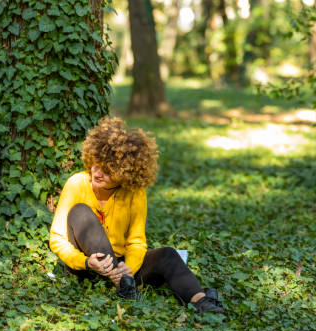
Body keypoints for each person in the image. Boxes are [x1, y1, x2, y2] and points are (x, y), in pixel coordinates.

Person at [49, 117, 224, 314]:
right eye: (95, 165)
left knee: (167, 254)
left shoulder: (135, 192)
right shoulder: (76, 183)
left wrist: (128, 269)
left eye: (107, 171)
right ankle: (123, 285)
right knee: (80, 212)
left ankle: (201, 301)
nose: (97, 173)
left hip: (124, 269)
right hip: (90, 267)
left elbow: (137, 241)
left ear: (124, 172)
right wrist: (86, 263)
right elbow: (57, 239)